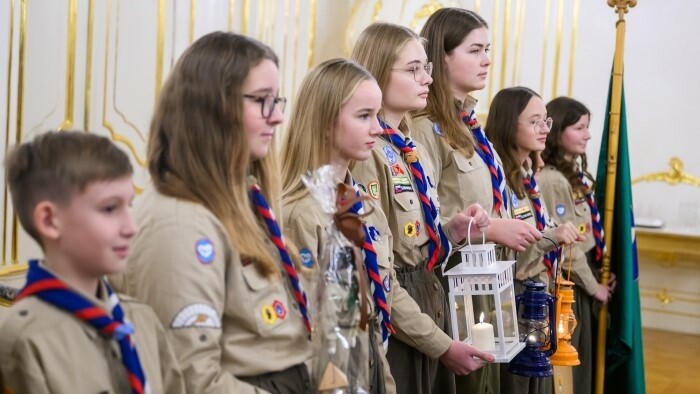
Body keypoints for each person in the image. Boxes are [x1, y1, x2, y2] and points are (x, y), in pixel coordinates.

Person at [114, 32, 312, 393]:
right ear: (212, 106)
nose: (279, 116)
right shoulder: (179, 223)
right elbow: (192, 380)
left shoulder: (240, 198)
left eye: (277, 100)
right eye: (262, 101)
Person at [350, 22, 494, 394]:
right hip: (402, 317)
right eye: (413, 69)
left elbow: (412, 236)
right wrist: (439, 343)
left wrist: (450, 230)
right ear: (378, 72)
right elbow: (380, 266)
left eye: (426, 67)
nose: (426, 78)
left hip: (428, 295)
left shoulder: (408, 146)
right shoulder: (369, 154)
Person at [410, 8, 541, 393]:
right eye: (475, 50)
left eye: (488, 49)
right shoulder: (424, 128)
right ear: (442, 57)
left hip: (487, 282)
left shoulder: (469, 127)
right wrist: (494, 228)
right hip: (452, 285)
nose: (486, 60)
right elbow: (421, 216)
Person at [0, 131, 185, 393]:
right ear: (50, 221)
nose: (131, 227)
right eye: (110, 209)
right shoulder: (25, 340)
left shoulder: (141, 320)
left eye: (128, 206)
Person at [484, 87, 583, 393]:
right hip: (512, 298)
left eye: (547, 122)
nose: (544, 129)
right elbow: (507, 254)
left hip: (535, 293)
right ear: (507, 124)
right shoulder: (496, 177)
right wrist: (551, 237)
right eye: (534, 122)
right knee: (516, 383)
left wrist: (553, 232)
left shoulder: (526, 175)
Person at [539, 96, 615, 394]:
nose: (588, 134)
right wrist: (593, 286)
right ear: (558, 131)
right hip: (571, 284)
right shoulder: (554, 179)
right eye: (579, 127)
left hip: (584, 278)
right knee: (571, 363)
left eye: (587, 127)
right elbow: (567, 246)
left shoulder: (575, 176)